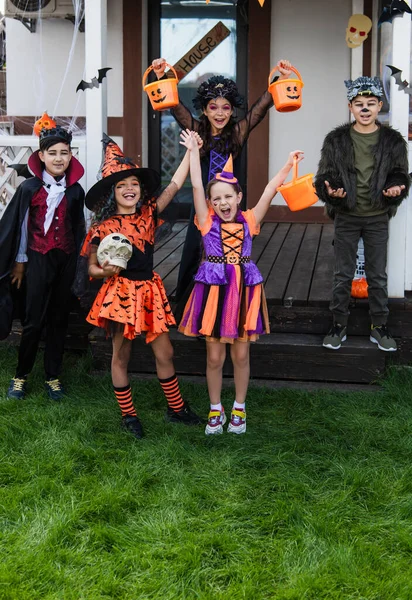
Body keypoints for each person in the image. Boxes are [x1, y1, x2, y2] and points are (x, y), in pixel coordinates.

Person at [179, 129, 303, 435]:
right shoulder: (205, 221)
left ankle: (239, 409)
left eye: (228, 197)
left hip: (243, 292)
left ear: (239, 197)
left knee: (242, 354)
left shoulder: (250, 220)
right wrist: (194, 152)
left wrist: (288, 166)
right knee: (214, 356)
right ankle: (215, 409)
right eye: (216, 198)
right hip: (212, 294)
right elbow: (196, 185)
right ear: (210, 202)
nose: (223, 203)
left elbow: (271, 191)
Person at [80, 134, 204, 439]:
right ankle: (129, 415)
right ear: (112, 193)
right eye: (121, 186)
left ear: (140, 188)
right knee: (120, 356)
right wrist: (104, 269)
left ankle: (175, 408)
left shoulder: (149, 214)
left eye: (133, 183)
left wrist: (190, 151)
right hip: (120, 295)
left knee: (166, 352)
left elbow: (175, 185)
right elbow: (92, 269)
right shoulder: (102, 228)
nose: (129, 189)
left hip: (149, 292)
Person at [152, 57, 293, 302]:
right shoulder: (197, 131)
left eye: (226, 107)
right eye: (213, 107)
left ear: (232, 110)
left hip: (229, 208)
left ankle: (225, 307)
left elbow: (260, 109)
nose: (220, 113)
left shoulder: (237, 134)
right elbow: (175, 106)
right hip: (204, 209)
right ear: (204, 110)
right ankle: (191, 309)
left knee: (230, 258)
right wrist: (162, 75)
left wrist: (280, 78)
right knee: (195, 255)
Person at [315, 76, 410, 352]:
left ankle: (379, 326)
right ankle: (338, 325)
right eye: (359, 104)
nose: (365, 108)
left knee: (377, 275)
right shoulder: (336, 140)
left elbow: (400, 174)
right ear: (350, 107)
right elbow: (324, 177)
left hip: (377, 215)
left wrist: (396, 187)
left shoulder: (392, 141)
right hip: (346, 214)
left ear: (380, 105)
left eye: (371, 103)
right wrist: (330, 191)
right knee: (342, 274)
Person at [1, 124, 85, 401]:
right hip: (37, 258)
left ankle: (53, 376)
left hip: (66, 260)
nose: (59, 158)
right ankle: (21, 375)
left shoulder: (75, 192)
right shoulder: (29, 188)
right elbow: (21, 228)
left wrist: (79, 267)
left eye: (65, 152)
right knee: (33, 320)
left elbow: (77, 227)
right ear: (42, 156)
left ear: (71, 156)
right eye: (53, 153)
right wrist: (20, 262)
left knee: (59, 319)